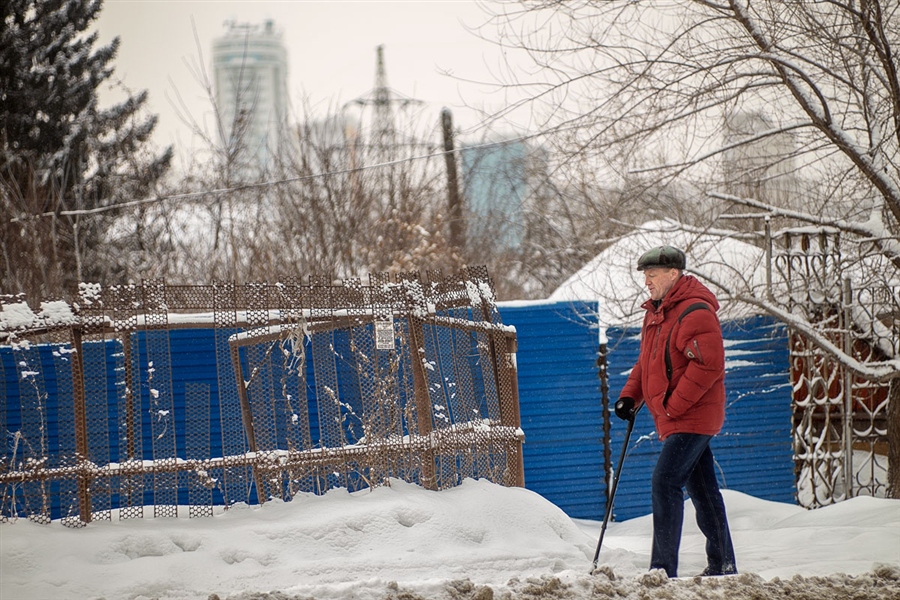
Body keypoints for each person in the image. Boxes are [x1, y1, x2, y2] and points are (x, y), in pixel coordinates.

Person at [615, 245, 737, 578]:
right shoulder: (657, 313)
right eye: (645, 276)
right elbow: (647, 362)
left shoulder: (695, 311)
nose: (647, 282)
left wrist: (673, 405)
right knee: (703, 491)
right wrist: (630, 396)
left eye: (652, 275)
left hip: (693, 416)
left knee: (665, 481)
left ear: (673, 274)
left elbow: (708, 365)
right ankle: (723, 565)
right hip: (679, 417)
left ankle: (662, 569)